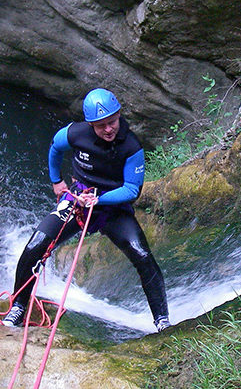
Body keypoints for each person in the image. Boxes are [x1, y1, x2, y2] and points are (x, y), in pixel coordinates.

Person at [2, 88, 170, 332]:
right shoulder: (75, 133)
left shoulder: (131, 147)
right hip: (76, 200)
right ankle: (18, 305)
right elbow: (55, 147)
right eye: (100, 125)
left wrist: (98, 201)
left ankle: (162, 320)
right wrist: (56, 180)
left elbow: (132, 190)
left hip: (112, 207)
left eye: (111, 122)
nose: (108, 129)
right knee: (35, 246)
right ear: (90, 124)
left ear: (119, 115)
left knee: (143, 257)